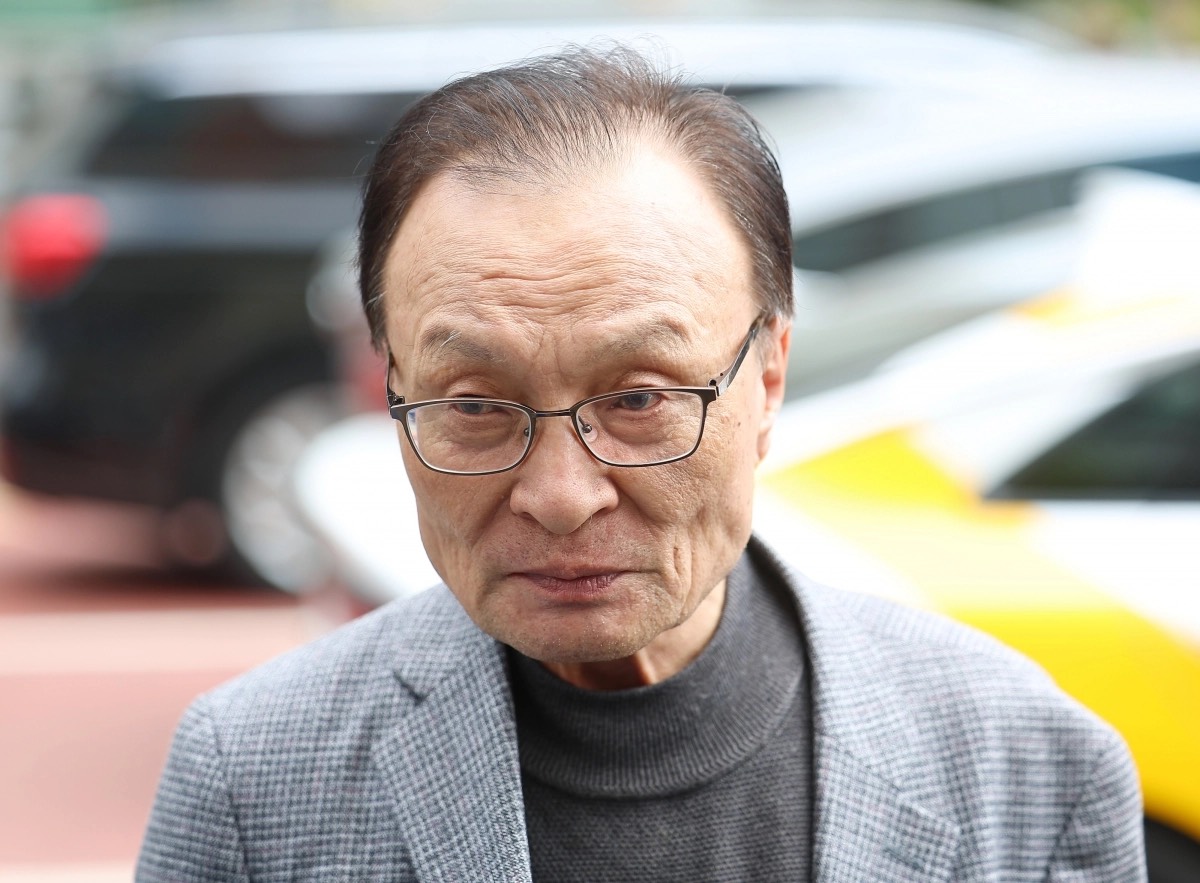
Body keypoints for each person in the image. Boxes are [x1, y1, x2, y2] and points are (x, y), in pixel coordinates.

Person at [137, 47, 1146, 882]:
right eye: (476, 406)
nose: (561, 497)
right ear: (393, 388)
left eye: (638, 399)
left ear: (768, 378)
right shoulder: (253, 778)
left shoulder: (1027, 767)